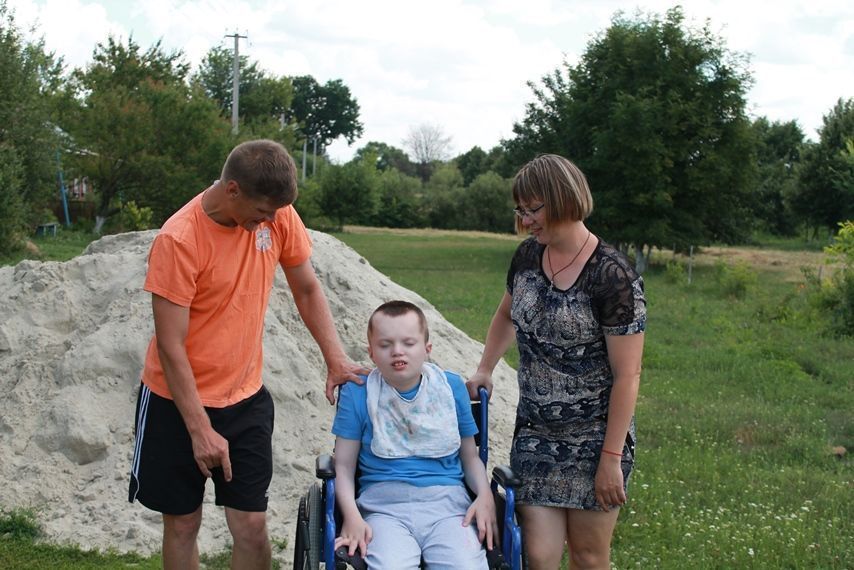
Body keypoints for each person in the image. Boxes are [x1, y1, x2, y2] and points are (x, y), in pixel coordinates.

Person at [128, 139, 366, 570]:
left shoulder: (277, 215)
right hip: (174, 403)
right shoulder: (178, 240)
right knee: (183, 524)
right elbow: (170, 346)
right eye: (262, 212)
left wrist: (335, 358)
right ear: (232, 189)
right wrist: (200, 429)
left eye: (277, 213)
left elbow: (306, 288)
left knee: (252, 526)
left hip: (245, 400)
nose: (271, 221)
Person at [467, 154, 646, 570]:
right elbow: (505, 314)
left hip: (596, 441)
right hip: (535, 434)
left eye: (533, 209)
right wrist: (485, 367)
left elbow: (628, 375)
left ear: (563, 199)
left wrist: (611, 458)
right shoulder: (527, 257)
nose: (526, 220)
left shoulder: (612, 276)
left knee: (588, 557)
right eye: (521, 210)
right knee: (537, 556)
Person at [333, 300, 498, 569]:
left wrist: (485, 496)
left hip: (448, 506)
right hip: (383, 509)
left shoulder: (449, 388)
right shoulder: (359, 392)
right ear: (371, 352)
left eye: (408, 343)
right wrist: (352, 517)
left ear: (427, 349)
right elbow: (343, 465)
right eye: (385, 345)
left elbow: (470, 456)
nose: (397, 351)